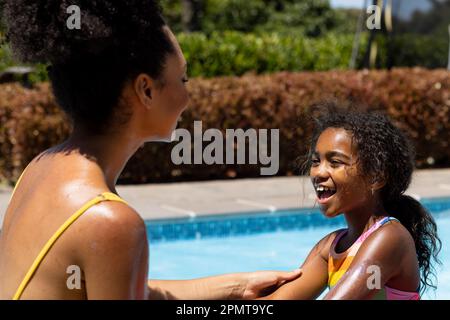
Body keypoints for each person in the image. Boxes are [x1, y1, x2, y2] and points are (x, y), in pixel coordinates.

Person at [0, 1, 301, 300]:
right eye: (182, 79)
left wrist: (237, 289)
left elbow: (116, 288)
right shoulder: (109, 221)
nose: (187, 95)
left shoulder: (40, 168)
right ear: (146, 90)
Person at [261, 103, 441, 300]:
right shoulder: (330, 246)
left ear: (376, 177)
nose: (319, 172)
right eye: (315, 161)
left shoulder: (390, 238)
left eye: (335, 162)